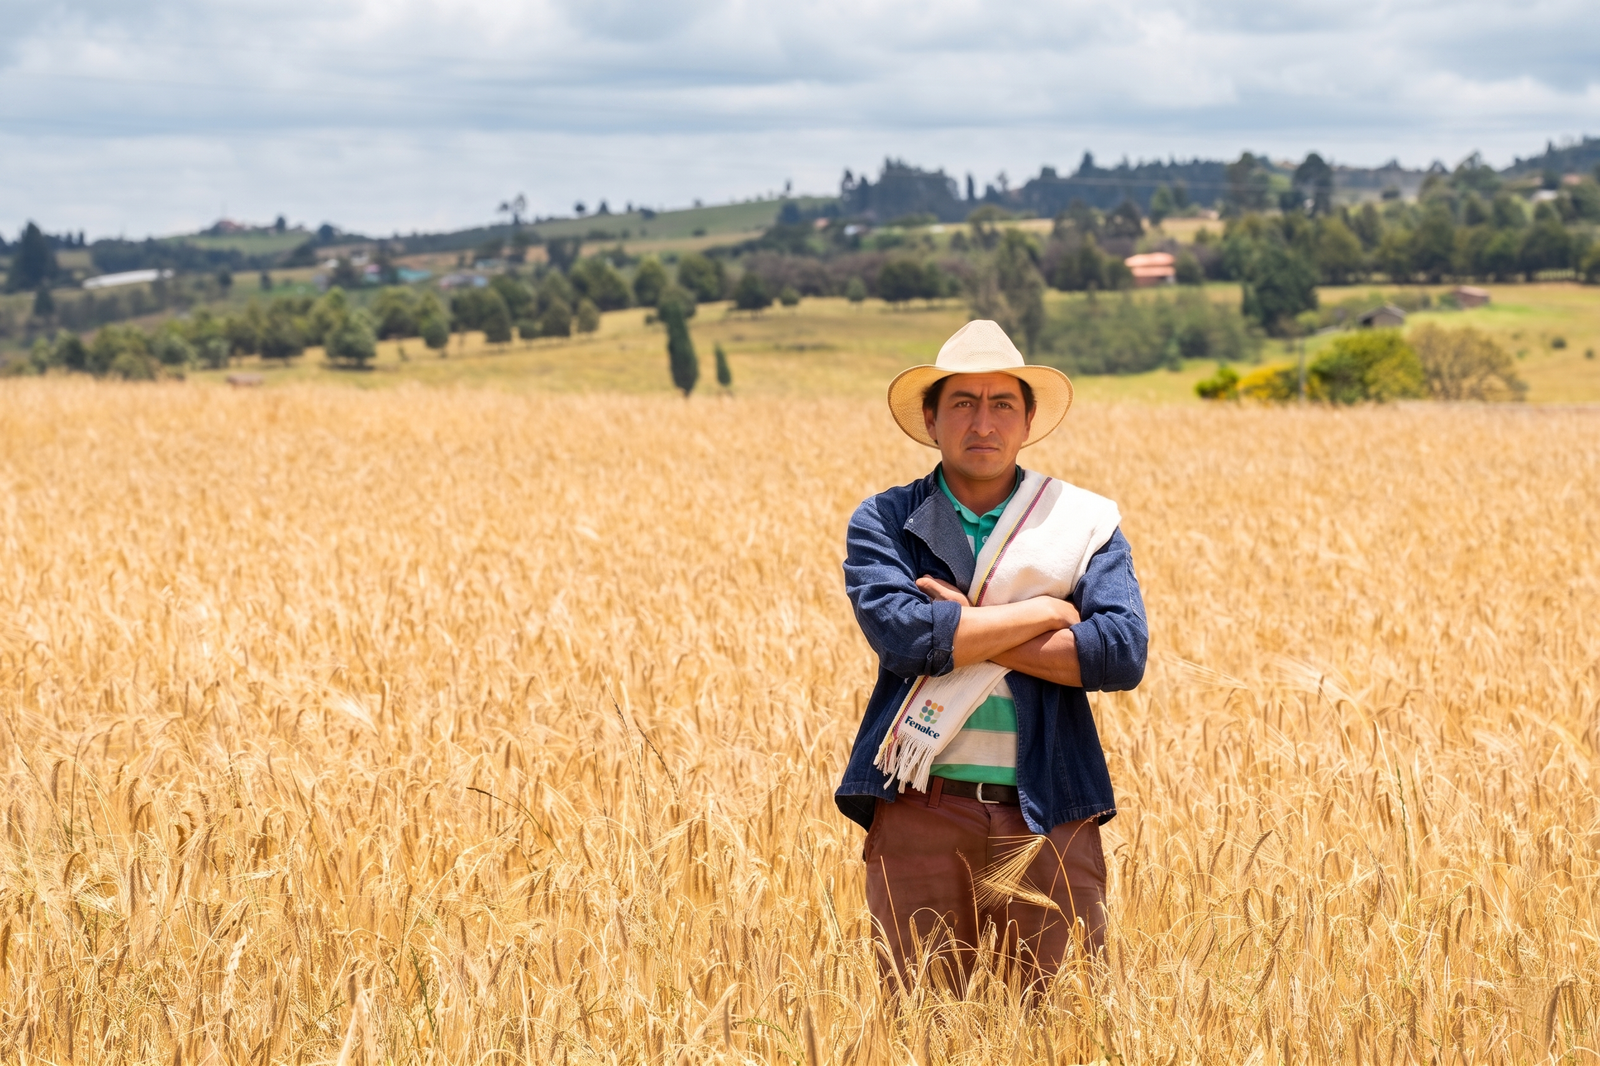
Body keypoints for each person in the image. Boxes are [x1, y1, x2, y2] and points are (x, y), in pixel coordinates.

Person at [837, 319, 1148, 988]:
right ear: (931, 418)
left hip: (1050, 807)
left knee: (1058, 1027)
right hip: (921, 807)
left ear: (1028, 420)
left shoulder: (1080, 522)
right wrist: (1046, 612)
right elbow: (908, 638)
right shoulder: (886, 521)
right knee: (920, 1026)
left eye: (1002, 403)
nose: (983, 422)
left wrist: (965, 623)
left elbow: (1120, 652)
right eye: (963, 403)